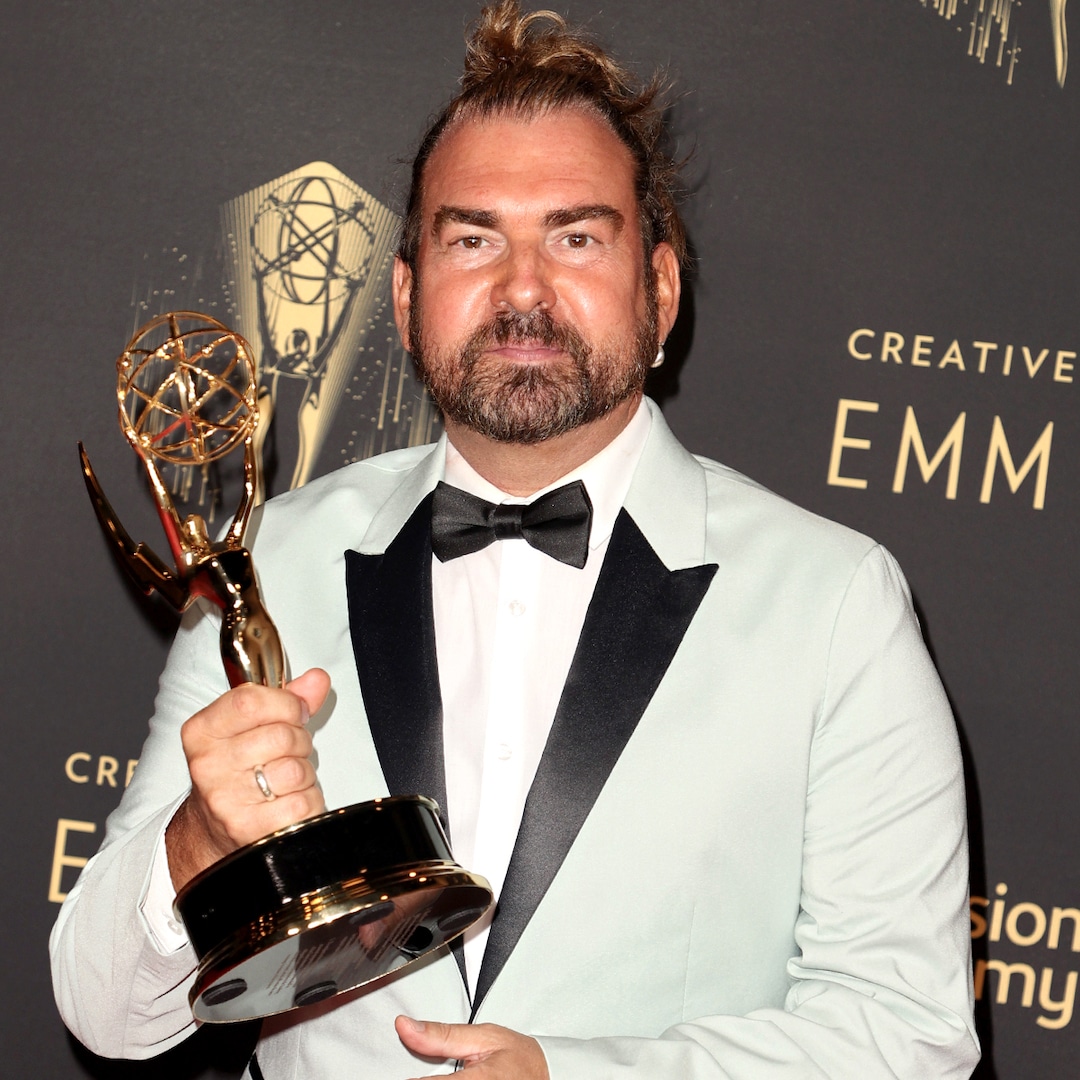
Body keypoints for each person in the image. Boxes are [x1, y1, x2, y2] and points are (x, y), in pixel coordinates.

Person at [51, 3, 980, 1077]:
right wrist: (198, 846)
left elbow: (907, 1036)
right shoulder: (271, 565)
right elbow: (107, 1013)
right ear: (406, 297)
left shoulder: (834, 603)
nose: (523, 288)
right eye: (473, 238)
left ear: (660, 289)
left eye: (576, 236)